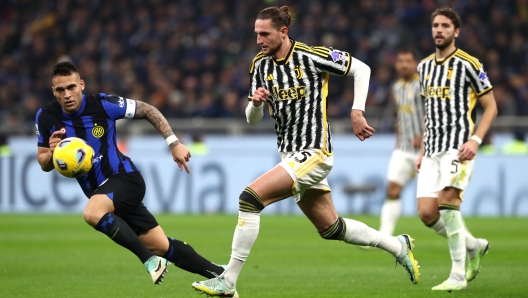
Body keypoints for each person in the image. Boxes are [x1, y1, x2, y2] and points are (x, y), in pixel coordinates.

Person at [191, 6, 420, 297]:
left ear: (283, 32)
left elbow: (362, 69)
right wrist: (256, 103)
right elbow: (252, 119)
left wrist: (357, 111)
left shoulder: (312, 56)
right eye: (256, 34)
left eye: (265, 33)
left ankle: (228, 281)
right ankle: (397, 245)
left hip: (315, 151)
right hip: (290, 156)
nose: (259, 39)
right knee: (331, 228)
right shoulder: (259, 66)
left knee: (249, 199)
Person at [35, 61, 231, 287]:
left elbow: (148, 109)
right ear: (54, 91)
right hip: (102, 194)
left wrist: (174, 143)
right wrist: (51, 152)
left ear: (81, 84)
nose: (67, 94)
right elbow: (43, 163)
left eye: (71, 87)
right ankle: (221, 275)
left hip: (124, 178)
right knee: (161, 245)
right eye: (60, 90)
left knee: (91, 213)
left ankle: (150, 262)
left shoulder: (103, 104)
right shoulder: (46, 116)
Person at [415, 7, 497, 291]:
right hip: (431, 150)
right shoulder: (423, 67)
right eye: (436, 25)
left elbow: (491, 107)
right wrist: (423, 149)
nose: (439, 30)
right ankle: (474, 246)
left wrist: (475, 140)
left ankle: (458, 276)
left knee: (448, 204)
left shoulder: (469, 64)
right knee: (427, 213)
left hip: (457, 147)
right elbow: (430, 110)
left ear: (456, 31)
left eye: (445, 26)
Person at [377, 49, 424, 237]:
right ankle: (384, 236)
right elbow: (401, 117)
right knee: (392, 189)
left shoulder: (423, 86)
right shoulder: (396, 88)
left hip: (425, 152)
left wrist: (424, 135)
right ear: (396, 65)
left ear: (415, 64)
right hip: (403, 150)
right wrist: (398, 139)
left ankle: (465, 241)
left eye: (408, 61)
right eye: (400, 61)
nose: (404, 65)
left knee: (431, 206)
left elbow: (434, 113)